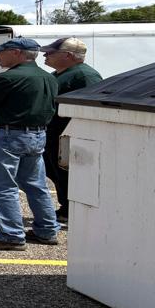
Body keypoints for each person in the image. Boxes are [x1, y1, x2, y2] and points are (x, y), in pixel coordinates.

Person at [0, 37, 59, 250]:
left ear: (16, 52)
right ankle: (46, 230)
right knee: (36, 185)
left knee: (0, 187)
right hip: (37, 135)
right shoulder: (48, 77)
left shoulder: (10, 77)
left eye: (1, 52)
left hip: (9, 135)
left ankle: (10, 235)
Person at [42, 37, 101, 227]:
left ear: (68, 55)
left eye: (51, 52)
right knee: (53, 170)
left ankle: (70, 209)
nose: (45, 55)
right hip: (54, 133)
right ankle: (66, 207)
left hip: (68, 133)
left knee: (67, 172)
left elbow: (92, 106)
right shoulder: (59, 74)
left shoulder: (84, 76)